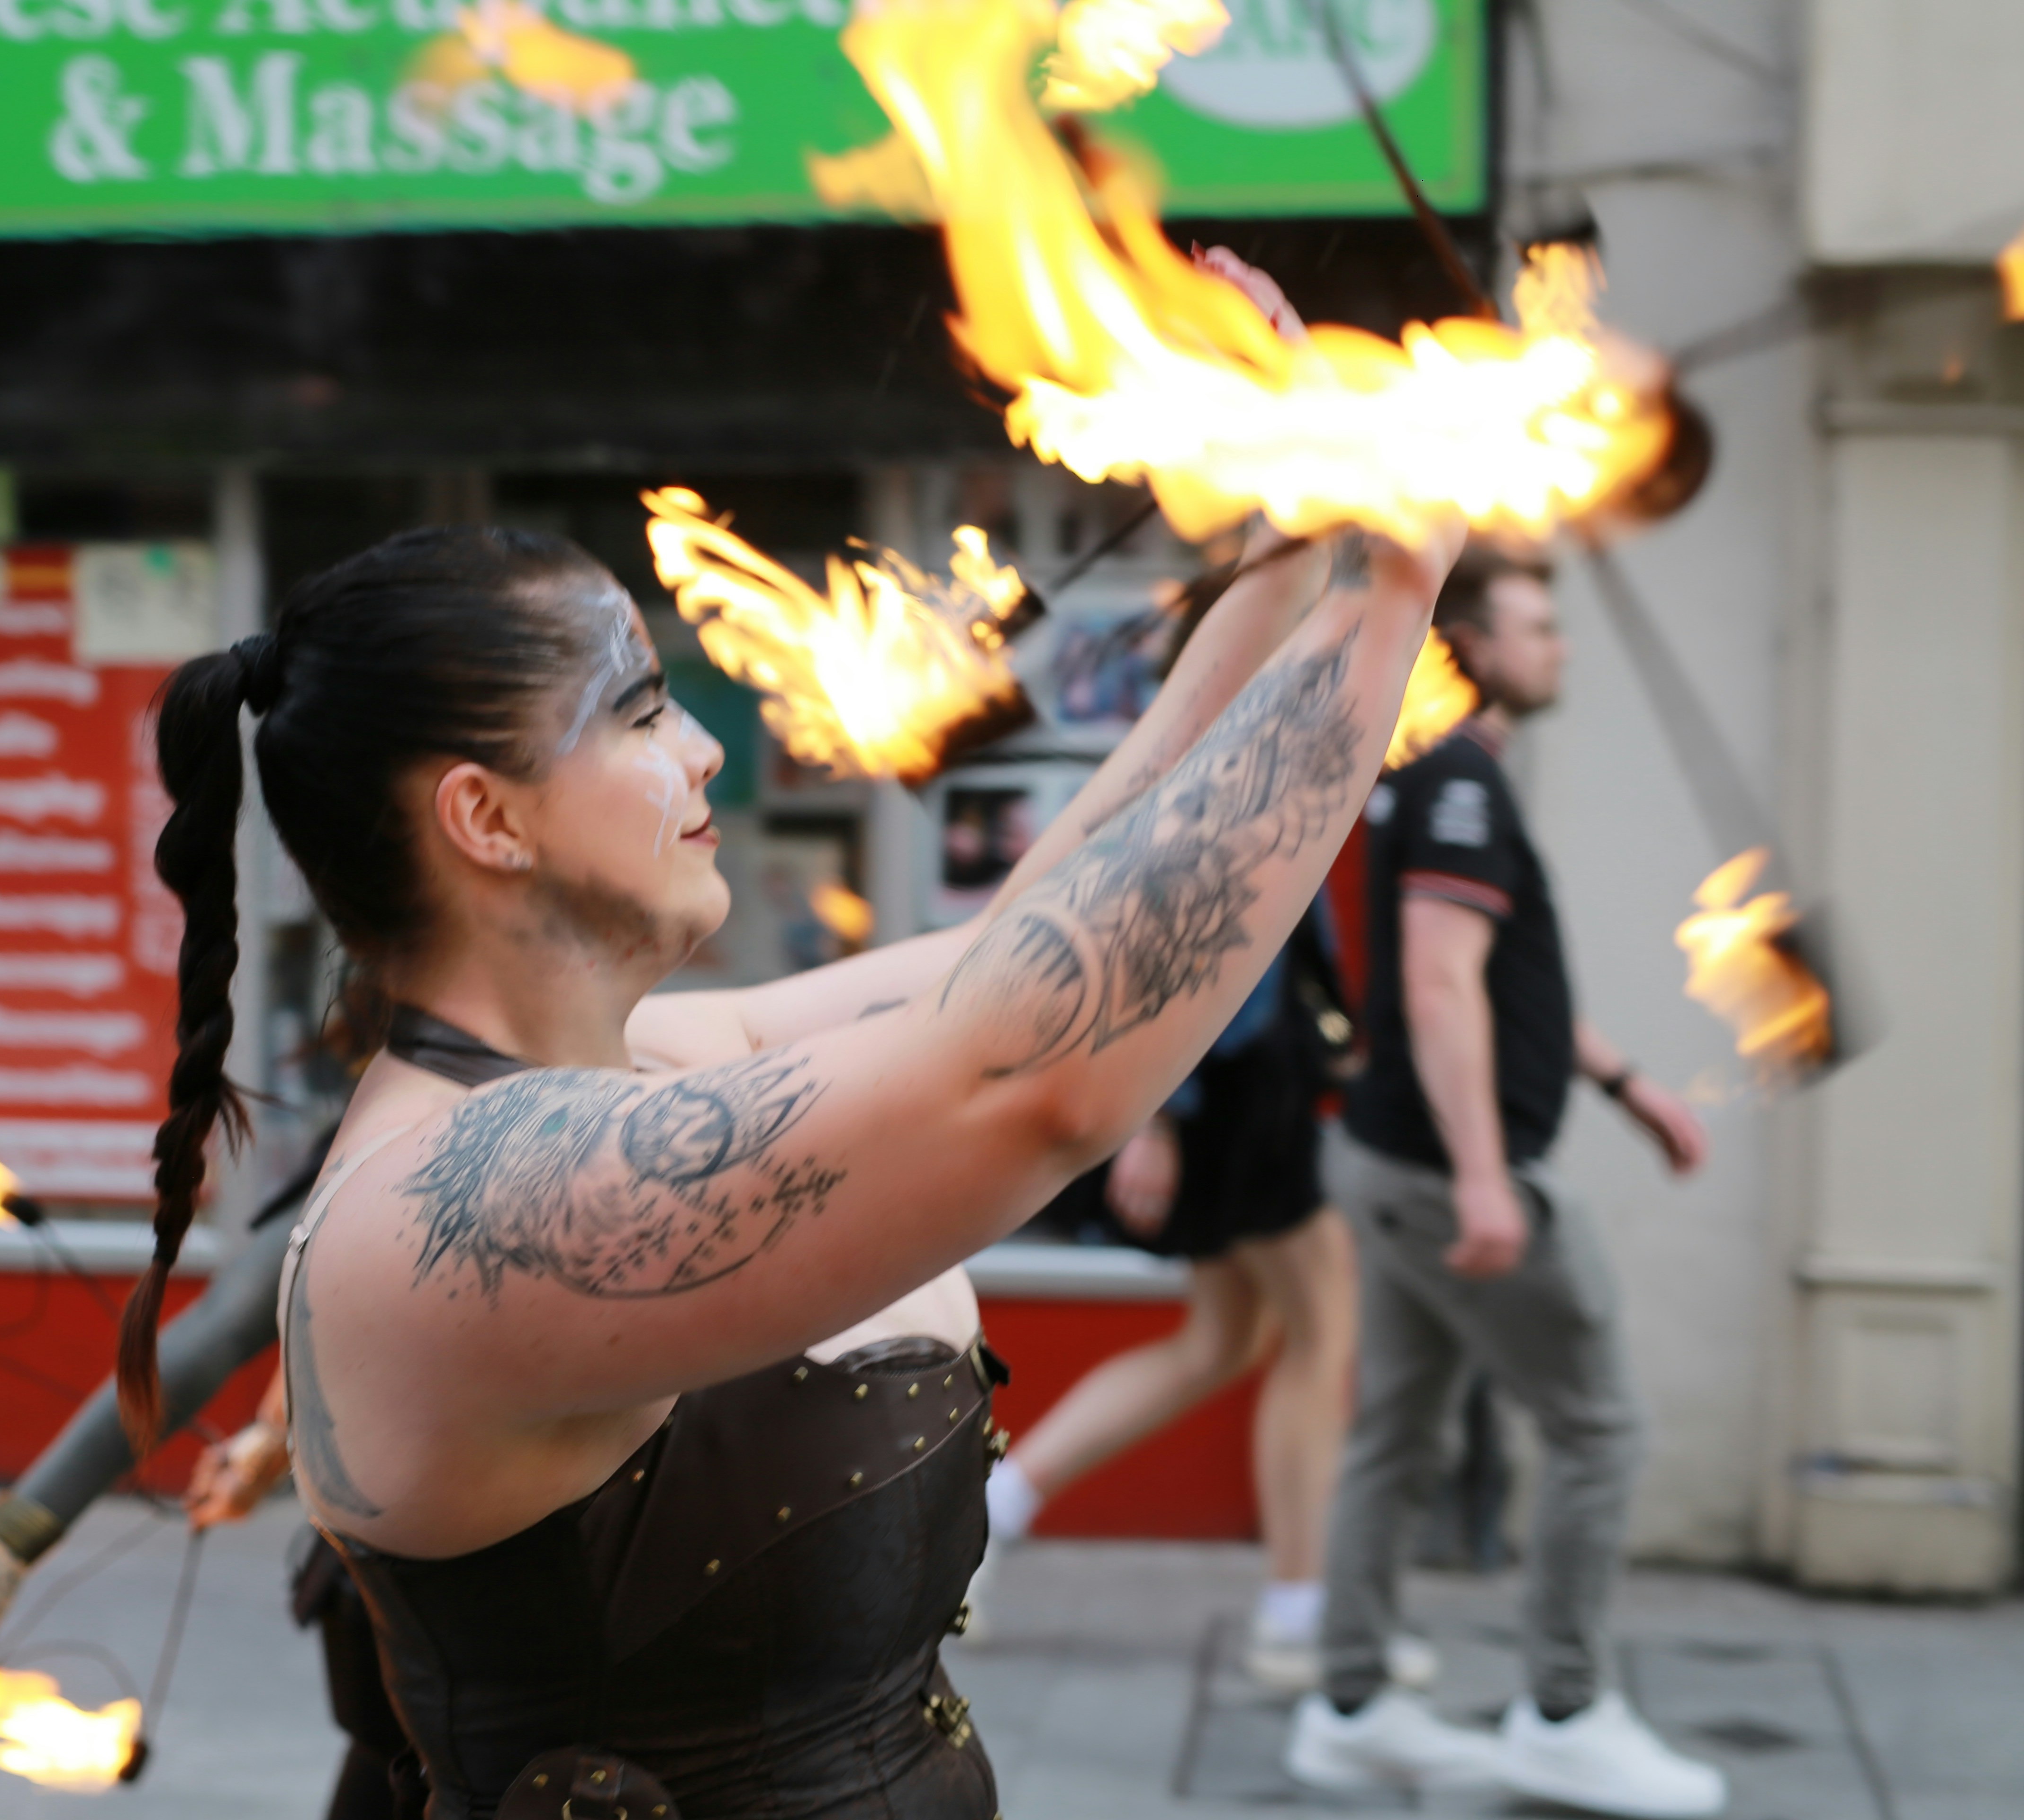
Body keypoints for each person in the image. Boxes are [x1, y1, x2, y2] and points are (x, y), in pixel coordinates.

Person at [110, 354, 1462, 1818]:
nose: (703, 752)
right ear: (485, 818)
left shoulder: (667, 1060)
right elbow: (1037, 1076)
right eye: (641, 716)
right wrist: (1392, 584)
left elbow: (1024, 959)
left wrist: (1276, 546)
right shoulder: (455, 1209)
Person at [1284, 549, 1724, 1820]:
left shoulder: (1443, 774)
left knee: (1396, 1434)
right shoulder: (1464, 780)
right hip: (1444, 1175)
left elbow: (1507, 983)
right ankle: (1566, 1716)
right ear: (1475, 644)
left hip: (1387, 1159)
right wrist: (1489, 1181)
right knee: (1600, 1430)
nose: (1563, 647)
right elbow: (1437, 984)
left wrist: (1628, 1084)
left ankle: (1351, 1709)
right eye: (1540, 627)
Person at [977, 902, 1438, 1696]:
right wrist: (1158, 1118)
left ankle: (990, 1514)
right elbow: (1183, 923)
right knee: (1322, 1333)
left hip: (1236, 1083)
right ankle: (1297, 1618)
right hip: (1235, 1089)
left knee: (1224, 1340)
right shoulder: (1250, 773)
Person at [0, 1123, 413, 1820]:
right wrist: (11, 1535)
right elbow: (255, 1311)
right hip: (421, 1633)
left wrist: (277, 1435)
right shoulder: (424, 1102)